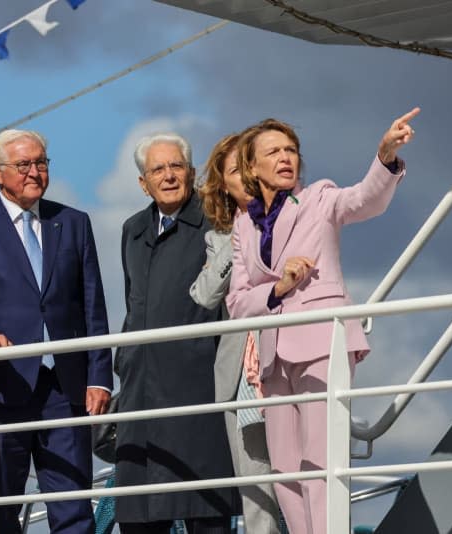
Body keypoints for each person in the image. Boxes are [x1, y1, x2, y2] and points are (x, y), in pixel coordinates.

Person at [226, 108, 419, 534]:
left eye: (291, 149)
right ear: (251, 167)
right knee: (285, 468)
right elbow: (237, 303)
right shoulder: (244, 225)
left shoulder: (319, 197)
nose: (285, 157)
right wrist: (278, 289)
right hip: (274, 354)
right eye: (273, 151)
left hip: (322, 342)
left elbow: (364, 199)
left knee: (321, 459)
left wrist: (385, 156)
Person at [0, 129, 113, 534]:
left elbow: (93, 306)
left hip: (65, 389)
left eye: (41, 163)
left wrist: (100, 377)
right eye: (24, 165)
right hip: (1, 388)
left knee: (73, 508)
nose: (34, 172)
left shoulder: (73, 223)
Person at [115, 133, 241, 534]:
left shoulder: (217, 219)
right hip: (140, 392)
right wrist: (125, 363)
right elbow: (132, 303)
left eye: (176, 167)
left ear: (190, 172)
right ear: (143, 183)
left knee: (206, 513)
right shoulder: (132, 230)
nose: (168, 176)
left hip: (197, 384)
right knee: (139, 515)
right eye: (157, 169)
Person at [189, 134, 281, 533]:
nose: (244, 178)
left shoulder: (294, 216)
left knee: (305, 481)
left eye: (248, 167)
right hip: (240, 379)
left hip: (288, 364)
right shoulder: (218, 238)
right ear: (222, 185)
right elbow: (206, 294)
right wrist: (239, 231)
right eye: (233, 172)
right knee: (256, 491)